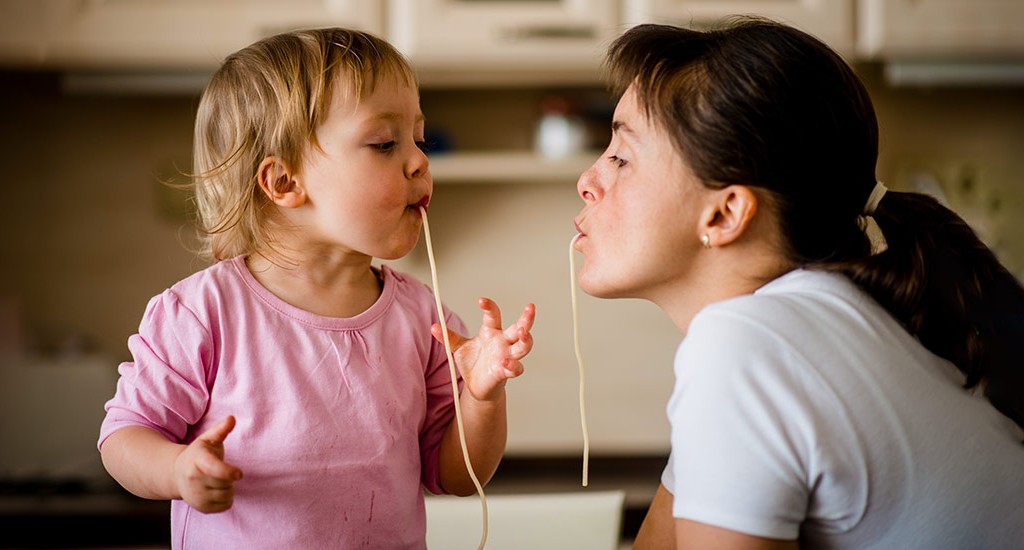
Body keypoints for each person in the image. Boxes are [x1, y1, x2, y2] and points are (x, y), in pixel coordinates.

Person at [572, 18, 1024, 549]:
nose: (587, 181)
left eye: (621, 157)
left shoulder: (745, 347)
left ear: (725, 214)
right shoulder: (808, 322)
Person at [98, 28, 535, 549]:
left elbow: (459, 478)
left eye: (418, 139)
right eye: (384, 143)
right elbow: (123, 440)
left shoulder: (425, 318)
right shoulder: (203, 312)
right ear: (284, 183)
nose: (420, 160)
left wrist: (483, 398)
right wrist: (178, 468)